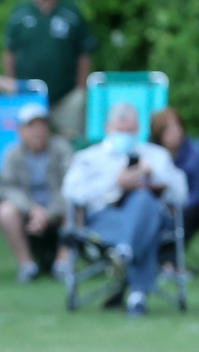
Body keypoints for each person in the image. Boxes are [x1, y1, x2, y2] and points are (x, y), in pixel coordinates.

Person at [62, 103, 188, 316]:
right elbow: (71, 192)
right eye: (121, 131)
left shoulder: (155, 156)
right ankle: (137, 294)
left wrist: (153, 174)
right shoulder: (89, 157)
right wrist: (115, 182)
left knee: (143, 200)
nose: (126, 135)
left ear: (138, 130)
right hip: (105, 220)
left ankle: (124, 252)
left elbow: (181, 193)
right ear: (108, 128)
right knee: (146, 225)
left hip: (151, 218)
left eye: (130, 131)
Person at [1, 0, 96, 141]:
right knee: (30, 144)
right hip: (29, 95)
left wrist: (81, 88)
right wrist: (11, 83)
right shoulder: (20, 13)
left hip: (66, 96)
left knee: (69, 142)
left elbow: (85, 50)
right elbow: (9, 50)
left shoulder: (71, 12)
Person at [0, 103, 73, 283]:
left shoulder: (62, 149)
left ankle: (63, 264)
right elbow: (7, 188)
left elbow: (71, 185)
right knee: (5, 211)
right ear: (21, 130)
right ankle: (27, 265)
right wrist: (32, 210)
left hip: (57, 208)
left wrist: (48, 213)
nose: (38, 131)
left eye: (42, 125)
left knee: (76, 207)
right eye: (32, 126)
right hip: (29, 211)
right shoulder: (12, 154)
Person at [152, 107, 199, 258]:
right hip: (157, 207)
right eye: (169, 130)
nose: (176, 133)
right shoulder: (149, 154)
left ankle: (168, 260)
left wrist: (179, 207)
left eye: (178, 127)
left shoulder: (194, 154)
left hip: (187, 207)